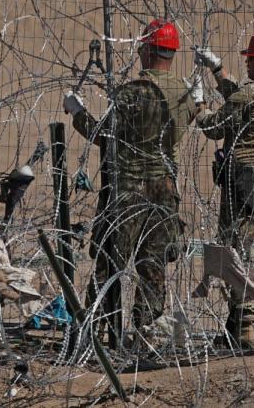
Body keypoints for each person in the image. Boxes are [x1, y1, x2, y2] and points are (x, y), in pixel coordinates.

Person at [62, 19, 197, 343]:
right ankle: (145, 332)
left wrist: (77, 112)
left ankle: (96, 327)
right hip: (164, 188)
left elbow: (104, 136)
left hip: (129, 189)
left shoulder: (135, 93)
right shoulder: (185, 94)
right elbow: (193, 115)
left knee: (110, 262)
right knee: (152, 266)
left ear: (148, 50)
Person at [194, 28, 254, 349]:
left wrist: (197, 103)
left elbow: (213, 126)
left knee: (236, 258)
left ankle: (244, 329)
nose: (248, 64)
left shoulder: (249, 96)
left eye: (251, 59)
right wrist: (218, 70)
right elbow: (242, 100)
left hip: (241, 189)